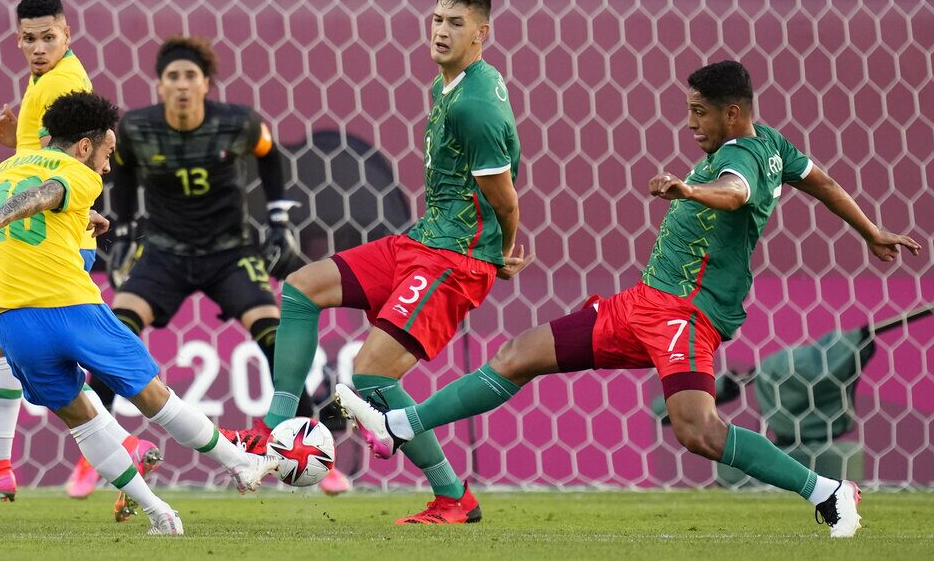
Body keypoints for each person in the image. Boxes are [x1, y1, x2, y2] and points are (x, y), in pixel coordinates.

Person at [335, 60, 922, 538]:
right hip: (641, 304)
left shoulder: (741, 159)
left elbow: (735, 193)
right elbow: (819, 179)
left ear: (733, 112)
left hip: (684, 315)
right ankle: (400, 425)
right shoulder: (773, 146)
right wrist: (868, 229)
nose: (691, 123)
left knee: (698, 432)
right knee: (520, 354)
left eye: (700, 113)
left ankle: (828, 492)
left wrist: (690, 187)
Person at [262, 0, 531, 525]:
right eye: (437, 19)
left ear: (482, 34)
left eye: (456, 24)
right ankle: (276, 428)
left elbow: (506, 199)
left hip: (453, 258)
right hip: (422, 238)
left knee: (371, 377)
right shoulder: (452, 83)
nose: (441, 30)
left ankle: (453, 495)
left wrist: (499, 253)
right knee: (300, 288)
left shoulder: (475, 105)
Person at [0, 91, 279, 535]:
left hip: (12, 321)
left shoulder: (10, 166)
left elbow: (46, 202)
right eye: (107, 153)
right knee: (153, 396)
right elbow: (46, 193)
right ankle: (241, 464)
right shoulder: (80, 174)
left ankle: (159, 514)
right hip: (70, 307)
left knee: (79, 419)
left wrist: (81, 222)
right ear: (83, 146)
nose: (109, 166)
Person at [85, 34, 347, 512]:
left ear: (206, 84)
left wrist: (280, 219)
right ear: (160, 86)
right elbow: (120, 172)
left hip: (229, 249)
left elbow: (270, 155)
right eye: (173, 78)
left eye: (190, 77)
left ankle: (307, 446)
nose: (182, 86)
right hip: (163, 251)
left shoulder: (238, 123)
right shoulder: (139, 129)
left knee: (272, 331)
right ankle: (98, 451)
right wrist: (122, 231)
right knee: (117, 330)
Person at [0, 0, 160, 507]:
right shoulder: (44, 80)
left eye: (50, 37)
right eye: (31, 39)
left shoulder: (65, 81)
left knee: (4, 332)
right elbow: (53, 155)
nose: (40, 47)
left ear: (68, 35)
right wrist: (14, 146)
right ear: (18, 40)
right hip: (52, 223)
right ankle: (4, 465)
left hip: (51, 232)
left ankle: (15, 463)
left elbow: (71, 163)